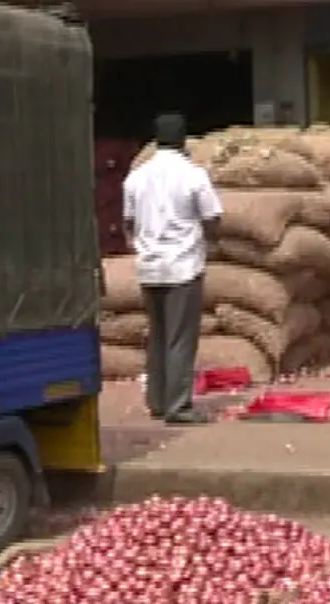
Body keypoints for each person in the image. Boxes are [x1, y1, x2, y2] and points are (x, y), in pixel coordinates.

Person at [122, 112, 223, 425]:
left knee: (158, 335)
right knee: (180, 338)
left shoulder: (136, 177)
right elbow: (213, 217)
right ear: (183, 140)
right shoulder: (193, 175)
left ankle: (156, 400)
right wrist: (210, 240)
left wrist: (139, 244)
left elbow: (128, 222)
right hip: (183, 267)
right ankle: (179, 406)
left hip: (149, 267)